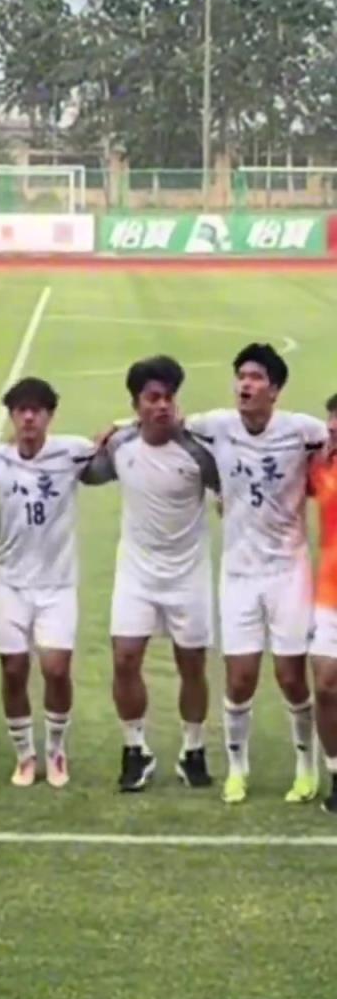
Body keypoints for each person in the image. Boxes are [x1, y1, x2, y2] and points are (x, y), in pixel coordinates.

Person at [186, 343, 326, 805]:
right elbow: (166, 424)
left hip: (288, 570)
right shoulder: (216, 426)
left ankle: (306, 767)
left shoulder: (302, 431)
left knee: (291, 677)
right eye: (241, 376)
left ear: (275, 390)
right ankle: (237, 769)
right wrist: (118, 429)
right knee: (240, 678)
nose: (245, 384)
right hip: (239, 574)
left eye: (256, 377)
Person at [88, 356, 219, 794]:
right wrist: (101, 439)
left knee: (192, 664)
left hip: (188, 574)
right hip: (137, 575)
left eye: (169, 398)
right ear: (136, 404)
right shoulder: (121, 446)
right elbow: (87, 474)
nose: (162, 406)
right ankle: (135, 749)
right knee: (125, 659)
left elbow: (228, 483)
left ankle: (193, 750)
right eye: (153, 398)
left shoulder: (197, 452)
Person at [0, 376, 97, 789]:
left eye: (36, 410)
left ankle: (56, 750)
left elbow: (109, 455)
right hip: (9, 584)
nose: (28, 418)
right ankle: (24, 755)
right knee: (13, 671)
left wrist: (115, 431)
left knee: (56, 669)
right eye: (21, 410)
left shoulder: (72, 453)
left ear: (49, 415)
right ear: (11, 415)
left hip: (57, 584)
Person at [307, 393, 337, 814]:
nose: (332, 428)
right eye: (330, 422)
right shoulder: (320, 467)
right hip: (330, 595)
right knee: (327, 687)